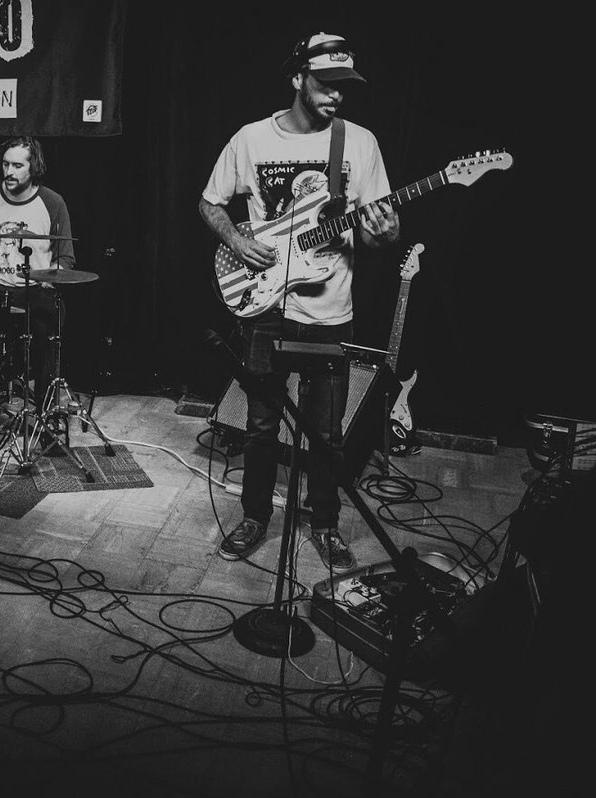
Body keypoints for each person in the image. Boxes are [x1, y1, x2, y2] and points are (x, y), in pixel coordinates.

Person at [198, 33, 401, 571]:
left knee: (327, 434)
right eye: (326, 83)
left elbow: (375, 231)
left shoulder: (359, 143)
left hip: (330, 310)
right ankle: (254, 517)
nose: (336, 95)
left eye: (344, 86)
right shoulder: (251, 139)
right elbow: (210, 202)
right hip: (266, 306)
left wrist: (385, 232)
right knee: (261, 426)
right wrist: (237, 239)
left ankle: (325, 524)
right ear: (297, 79)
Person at [0, 136, 75, 409]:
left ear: (34, 167)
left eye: (17, 166)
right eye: (6, 164)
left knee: (47, 326)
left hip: (33, 288)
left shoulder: (52, 202)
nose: (9, 171)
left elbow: (66, 257)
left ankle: (44, 408)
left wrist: (52, 278)